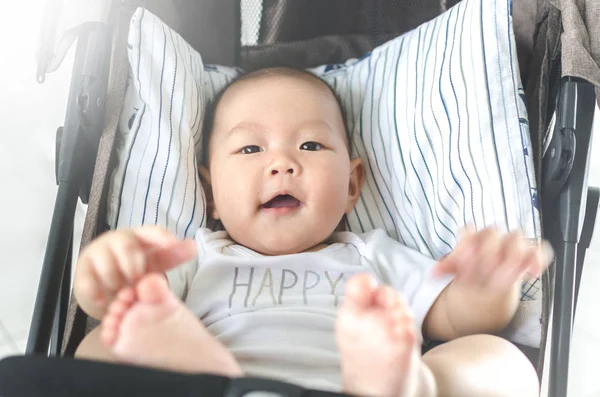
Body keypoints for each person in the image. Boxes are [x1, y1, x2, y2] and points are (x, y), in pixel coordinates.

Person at [74, 67, 550, 397]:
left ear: (351, 185)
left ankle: (410, 386)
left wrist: (486, 285)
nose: (282, 163)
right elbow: (114, 308)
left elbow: (457, 320)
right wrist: (110, 272)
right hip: (212, 383)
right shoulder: (197, 255)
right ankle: (190, 366)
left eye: (310, 143)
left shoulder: (369, 255)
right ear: (211, 193)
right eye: (249, 149)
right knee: (99, 346)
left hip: (358, 384)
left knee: (502, 360)